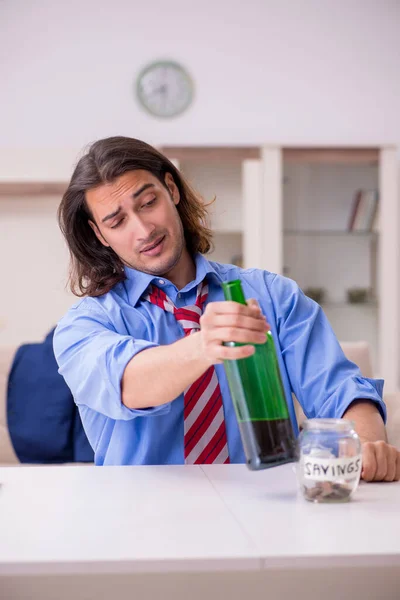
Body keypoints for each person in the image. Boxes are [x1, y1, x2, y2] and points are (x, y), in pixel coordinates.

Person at [54, 136, 400, 481]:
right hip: (141, 519)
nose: (144, 230)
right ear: (99, 234)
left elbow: (339, 391)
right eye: (117, 222)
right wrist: (203, 345)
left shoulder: (272, 296)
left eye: (147, 202)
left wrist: (366, 445)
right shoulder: (84, 326)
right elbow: (128, 382)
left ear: (171, 189)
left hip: (268, 509)